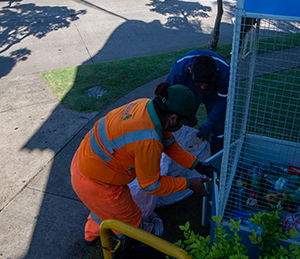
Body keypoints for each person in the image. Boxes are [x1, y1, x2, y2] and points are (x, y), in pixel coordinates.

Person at [70, 82, 217, 244]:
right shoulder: (148, 140)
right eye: (182, 123)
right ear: (173, 118)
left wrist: (197, 165)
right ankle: (130, 246)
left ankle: (90, 236)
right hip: (98, 184)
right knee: (132, 223)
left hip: (83, 164)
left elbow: (169, 144)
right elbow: (151, 185)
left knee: (104, 207)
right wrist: (189, 183)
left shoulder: (146, 106)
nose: (181, 126)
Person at [166, 50, 230, 153]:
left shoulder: (224, 72)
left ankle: (215, 156)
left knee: (218, 127)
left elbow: (221, 101)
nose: (203, 87)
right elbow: (168, 96)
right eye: (199, 83)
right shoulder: (179, 69)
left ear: (216, 71)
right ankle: (183, 152)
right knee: (183, 124)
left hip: (213, 93)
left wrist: (209, 123)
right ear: (190, 70)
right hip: (189, 90)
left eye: (207, 83)